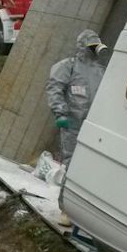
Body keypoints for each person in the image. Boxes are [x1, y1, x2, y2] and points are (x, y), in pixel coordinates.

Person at [45, 29, 107, 165]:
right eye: (92, 46)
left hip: (93, 123)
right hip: (72, 123)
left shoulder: (100, 71)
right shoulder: (68, 66)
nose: (95, 50)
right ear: (83, 46)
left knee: (88, 159)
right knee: (70, 158)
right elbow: (55, 88)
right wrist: (60, 113)